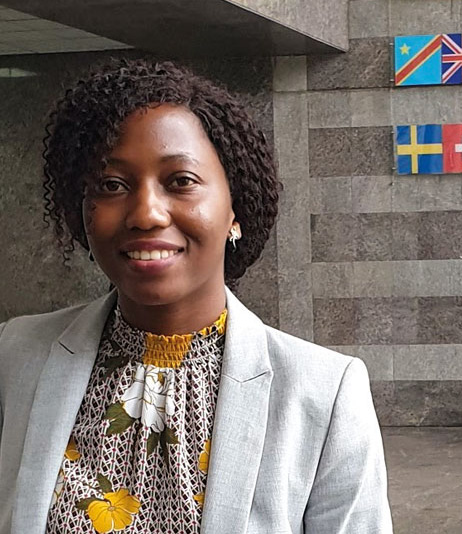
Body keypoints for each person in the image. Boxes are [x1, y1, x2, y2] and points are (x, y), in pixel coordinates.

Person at [0, 58, 392, 534]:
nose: (145, 213)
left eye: (180, 181)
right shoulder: (15, 357)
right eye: (111, 185)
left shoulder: (323, 395)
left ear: (235, 209)